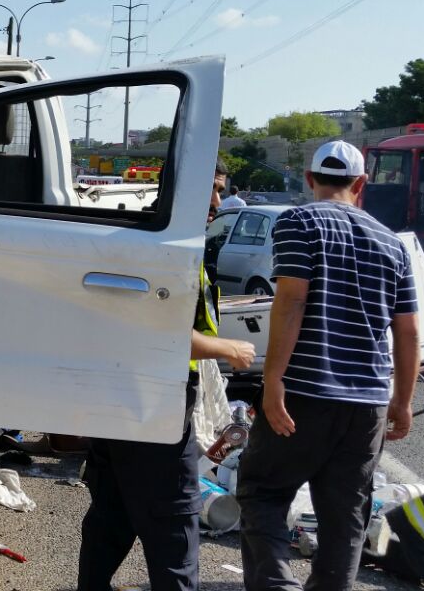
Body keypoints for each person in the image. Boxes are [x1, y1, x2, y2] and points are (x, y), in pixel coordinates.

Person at [237, 140, 419, 590]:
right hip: (368, 404)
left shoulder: (300, 221)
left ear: (309, 179)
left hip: (306, 392)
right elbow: (409, 332)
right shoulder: (392, 243)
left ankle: (276, 585)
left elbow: (291, 300)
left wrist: (273, 379)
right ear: (361, 184)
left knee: (263, 491)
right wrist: (402, 403)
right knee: (346, 514)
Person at [78, 160, 256, 591]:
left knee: (112, 516)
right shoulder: (168, 247)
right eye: (212, 190)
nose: (218, 202)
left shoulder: (150, 236)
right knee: (174, 530)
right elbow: (157, 332)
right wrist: (228, 348)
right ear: (186, 190)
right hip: (153, 405)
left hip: (119, 402)